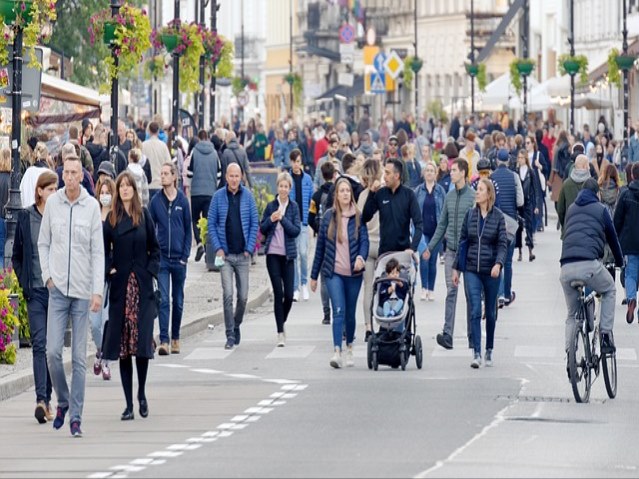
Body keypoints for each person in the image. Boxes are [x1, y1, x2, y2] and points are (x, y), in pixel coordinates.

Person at [38, 154, 104, 437]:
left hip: (81, 290)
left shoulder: (91, 207)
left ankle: (76, 416)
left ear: (82, 175)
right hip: (58, 290)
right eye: (67, 172)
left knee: (78, 358)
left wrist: (97, 290)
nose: (71, 177)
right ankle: (62, 401)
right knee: (52, 353)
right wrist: (47, 276)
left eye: (76, 172)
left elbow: (98, 252)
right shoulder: (53, 204)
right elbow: (43, 243)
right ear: (63, 175)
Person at [103, 171, 160, 421]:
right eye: (122, 186)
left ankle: (142, 394)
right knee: (125, 349)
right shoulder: (113, 219)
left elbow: (155, 248)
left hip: (142, 289)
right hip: (121, 289)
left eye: (129, 186)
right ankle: (128, 404)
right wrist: (110, 270)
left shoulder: (143, 214)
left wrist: (150, 271)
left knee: (142, 346)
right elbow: (103, 251)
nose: (125, 189)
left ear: (134, 190)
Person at [12, 171, 58, 423]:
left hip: (58, 292)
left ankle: (48, 397)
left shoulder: (60, 218)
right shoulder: (25, 217)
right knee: (39, 344)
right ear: (40, 191)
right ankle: (41, 400)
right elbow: (17, 254)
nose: (54, 193)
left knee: (52, 349)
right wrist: (24, 281)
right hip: (36, 292)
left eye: (56, 189)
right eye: (50, 189)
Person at [560, 178, 623, 357]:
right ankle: (605, 335)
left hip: (566, 267)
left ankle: (570, 354)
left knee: (572, 314)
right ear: (597, 194)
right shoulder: (601, 209)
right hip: (589, 264)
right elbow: (612, 238)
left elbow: (568, 234)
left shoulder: (571, 209)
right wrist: (619, 262)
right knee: (609, 289)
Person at [310, 177, 368, 369]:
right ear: (336, 195)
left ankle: (349, 346)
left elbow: (364, 242)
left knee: (350, 313)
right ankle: (337, 351)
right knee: (339, 311)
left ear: (351, 194)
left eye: (347, 191)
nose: (344, 194)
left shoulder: (358, 216)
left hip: (353, 274)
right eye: (341, 190)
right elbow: (320, 247)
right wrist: (313, 276)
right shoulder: (328, 217)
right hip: (333, 273)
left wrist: (361, 257)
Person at [453, 178, 508, 368]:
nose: (477, 192)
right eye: (477, 190)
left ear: (489, 194)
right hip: (471, 270)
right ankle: (476, 352)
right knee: (475, 309)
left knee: (491, 313)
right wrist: (456, 268)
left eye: (481, 190)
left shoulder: (498, 217)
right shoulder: (470, 215)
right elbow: (462, 242)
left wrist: (498, 264)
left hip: (491, 271)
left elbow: (502, 244)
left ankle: (489, 349)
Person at [423, 159, 475, 349]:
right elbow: (442, 224)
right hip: (452, 251)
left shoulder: (472, 196)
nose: (450, 173)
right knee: (451, 292)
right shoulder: (450, 196)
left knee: (471, 294)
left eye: (454, 170)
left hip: (468, 252)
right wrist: (430, 247)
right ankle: (447, 334)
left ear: (463, 173)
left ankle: (472, 335)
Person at [208, 163, 259, 350]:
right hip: (226, 256)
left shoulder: (248, 197)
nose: (234, 179)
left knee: (243, 296)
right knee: (228, 294)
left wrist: (249, 247)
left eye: (237, 176)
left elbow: (255, 223)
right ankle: (229, 333)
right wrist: (218, 248)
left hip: (243, 255)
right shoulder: (218, 197)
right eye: (231, 176)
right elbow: (211, 224)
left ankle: (236, 324)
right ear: (226, 177)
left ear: (241, 177)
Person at [149, 163, 192, 355]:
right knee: (164, 299)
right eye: (162, 173)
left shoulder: (182, 201)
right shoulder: (156, 201)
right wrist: (153, 252)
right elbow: (150, 229)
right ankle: (164, 340)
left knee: (179, 300)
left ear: (174, 177)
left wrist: (185, 256)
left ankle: (176, 337)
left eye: (166, 174)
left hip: (179, 259)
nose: (163, 177)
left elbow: (188, 230)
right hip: (163, 260)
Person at [260, 172, 301, 347]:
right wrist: (271, 219)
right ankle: (279, 332)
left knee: (289, 295)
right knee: (278, 292)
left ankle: (281, 321)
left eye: (286, 186)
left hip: (288, 255)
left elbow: (295, 230)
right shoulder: (270, 206)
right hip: (273, 254)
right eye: (281, 186)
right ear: (277, 187)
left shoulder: (293, 207)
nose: (283, 189)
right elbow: (262, 228)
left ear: (290, 189)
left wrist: (282, 219)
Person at [362, 158, 423, 256]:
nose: (384, 177)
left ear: (397, 175)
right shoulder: (380, 193)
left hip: (403, 253)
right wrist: (371, 193)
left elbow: (419, 224)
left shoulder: (409, 195)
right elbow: (365, 217)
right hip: (384, 253)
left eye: (387, 173)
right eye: (384, 173)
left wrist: (413, 248)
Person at [89, 175, 116, 381]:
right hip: (92, 273)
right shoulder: (92, 214)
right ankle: (100, 350)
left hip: (110, 275)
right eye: (102, 192)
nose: (105, 196)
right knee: (94, 321)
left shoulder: (116, 217)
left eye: (108, 193)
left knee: (107, 319)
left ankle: (105, 360)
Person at [491, 148, 524, 308]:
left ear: (497, 161)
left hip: (495, 221)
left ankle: (497, 294)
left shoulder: (491, 177)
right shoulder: (514, 176)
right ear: (508, 161)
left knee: (497, 259)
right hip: (510, 222)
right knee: (508, 262)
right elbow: (520, 201)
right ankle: (506, 294)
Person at [308, 161, 337, 325]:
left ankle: (326, 313)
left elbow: (310, 218)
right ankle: (337, 306)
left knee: (324, 277)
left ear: (321, 175)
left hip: (322, 236)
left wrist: (318, 228)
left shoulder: (316, 196)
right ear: (334, 175)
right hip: (336, 235)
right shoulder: (337, 194)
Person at [414, 161, 446, 301]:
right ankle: (424, 288)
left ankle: (431, 289)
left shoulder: (440, 191)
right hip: (422, 230)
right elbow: (414, 210)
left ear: (436, 174)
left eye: (432, 171)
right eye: (427, 170)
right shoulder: (418, 191)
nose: (429, 173)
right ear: (424, 173)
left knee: (432, 260)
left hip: (436, 231)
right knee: (424, 258)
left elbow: (445, 210)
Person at [188, 129, 220, 262]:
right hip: (210, 192)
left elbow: (189, 173)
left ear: (199, 138)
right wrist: (214, 186)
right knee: (207, 221)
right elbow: (219, 174)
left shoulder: (194, 152)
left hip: (196, 192)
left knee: (195, 219)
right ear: (207, 138)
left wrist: (192, 186)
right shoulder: (214, 153)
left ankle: (200, 244)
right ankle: (208, 250)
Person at [614, 163, 639, 323]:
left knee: (630, 274)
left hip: (629, 243)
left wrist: (615, 238)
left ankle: (631, 298)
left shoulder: (625, 195)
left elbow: (617, 220)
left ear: (632, 176)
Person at [288, 149, 313, 302]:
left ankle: (304, 282)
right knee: (294, 255)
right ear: (291, 162)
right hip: (291, 222)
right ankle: (295, 287)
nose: (296, 165)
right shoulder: (288, 178)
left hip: (303, 221)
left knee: (303, 253)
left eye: (298, 161)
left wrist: (311, 220)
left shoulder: (308, 179)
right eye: (294, 161)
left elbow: (312, 201)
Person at [515, 148, 540, 262]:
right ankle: (520, 251)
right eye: (518, 158)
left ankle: (530, 251)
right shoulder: (515, 171)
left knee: (529, 226)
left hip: (528, 202)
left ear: (525, 159)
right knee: (519, 227)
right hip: (519, 203)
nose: (519, 160)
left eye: (521, 158)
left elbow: (535, 189)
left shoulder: (531, 172)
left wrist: (536, 205)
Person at [557, 155, 591, 237]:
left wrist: (564, 223)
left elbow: (560, 209)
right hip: (587, 229)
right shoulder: (591, 184)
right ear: (585, 166)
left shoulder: (566, 184)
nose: (589, 167)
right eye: (588, 165)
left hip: (569, 227)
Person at [142, 121, 172, 199]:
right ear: (158, 131)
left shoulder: (143, 146)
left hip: (147, 185)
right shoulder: (163, 146)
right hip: (160, 183)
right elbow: (169, 164)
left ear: (149, 131)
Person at [20, 142, 50, 208]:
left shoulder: (29, 172)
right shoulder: (48, 173)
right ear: (46, 155)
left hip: (28, 211)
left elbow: (21, 192)